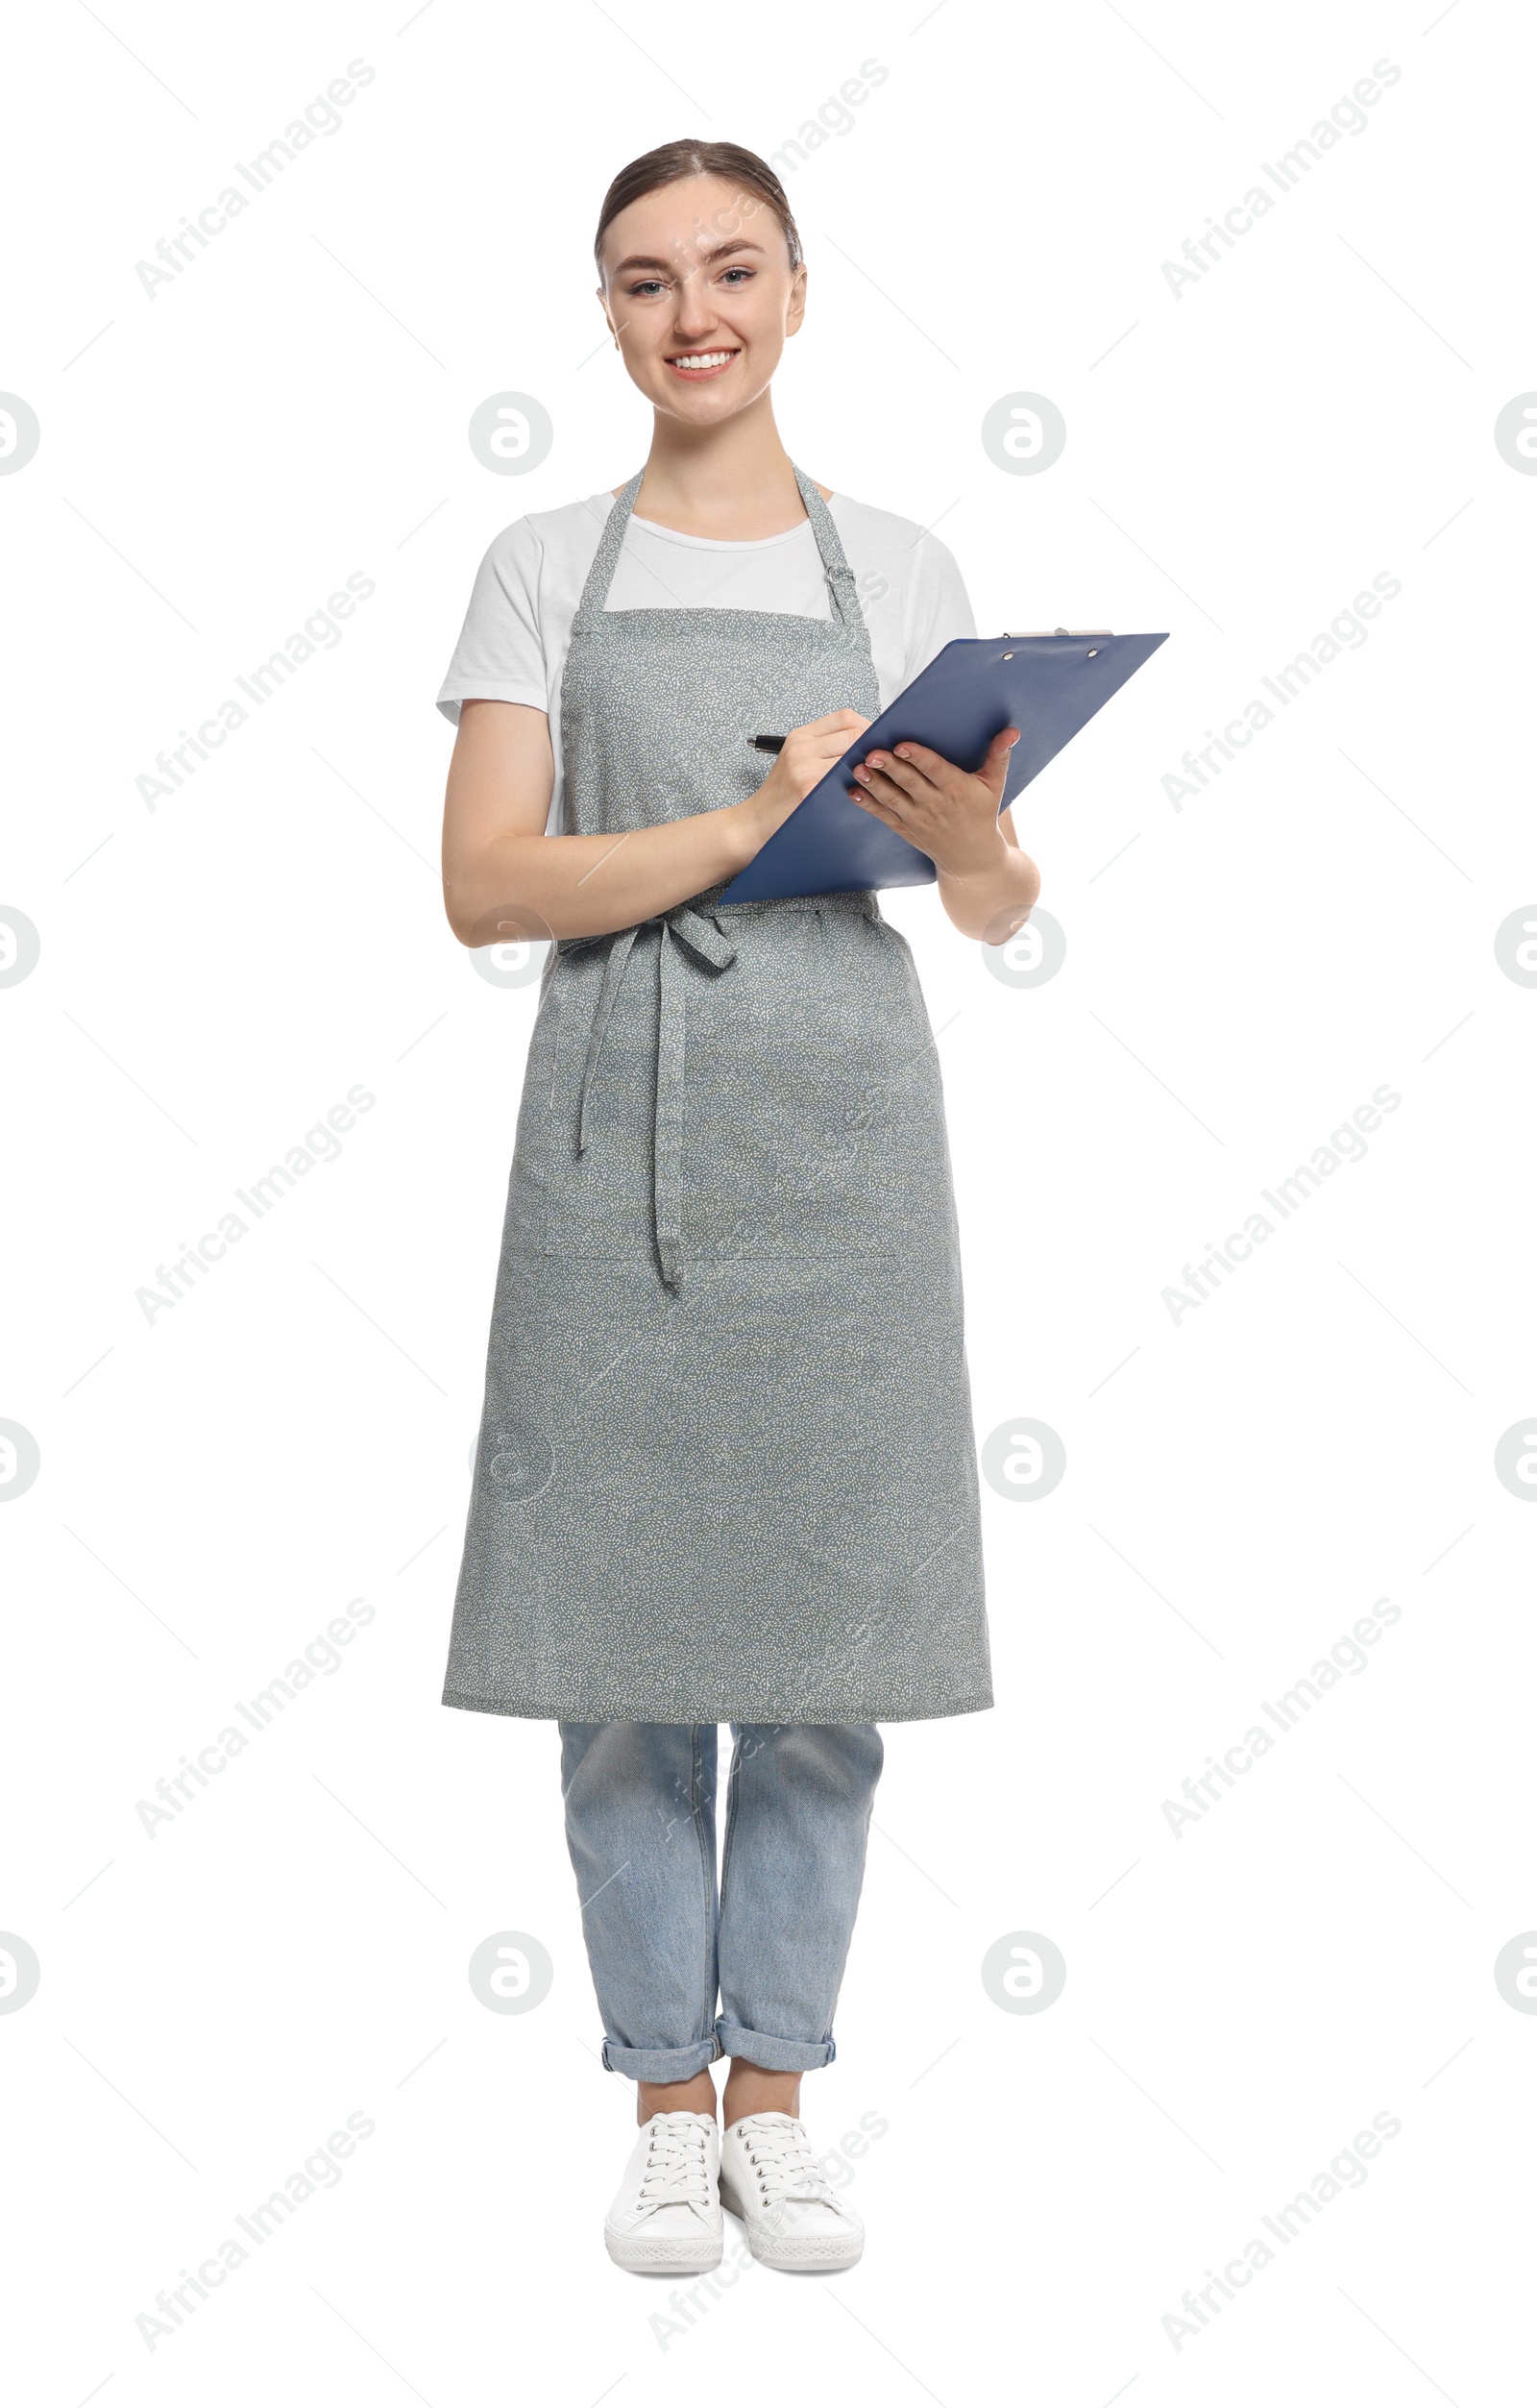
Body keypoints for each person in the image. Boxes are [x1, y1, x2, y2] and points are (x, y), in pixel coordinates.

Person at [435, 137, 1040, 2275]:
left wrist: (971, 834)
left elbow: (984, 903)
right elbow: (487, 885)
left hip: (845, 1139)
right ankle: (658, 2097)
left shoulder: (902, 563)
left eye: (727, 269)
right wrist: (740, 810)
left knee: (821, 1646)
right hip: (615, 1134)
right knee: (616, 1650)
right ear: (600, 316)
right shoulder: (537, 562)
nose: (688, 311)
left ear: (795, 290)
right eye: (639, 280)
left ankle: (777, 2091)